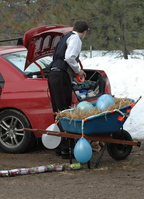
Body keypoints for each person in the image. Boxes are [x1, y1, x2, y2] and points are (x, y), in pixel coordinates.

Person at [48, 20, 89, 159]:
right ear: (85, 32)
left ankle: (60, 146)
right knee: (65, 111)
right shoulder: (76, 38)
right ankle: (67, 148)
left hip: (53, 74)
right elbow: (69, 57)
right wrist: (79, 71)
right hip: (61, 76)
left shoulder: (65, 37)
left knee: (58, 111)